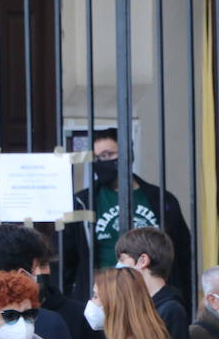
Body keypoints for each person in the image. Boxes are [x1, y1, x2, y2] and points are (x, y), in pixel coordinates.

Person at [62, 128, 193, 307]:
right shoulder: (83, 202)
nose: (101, 162)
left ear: (127, 155)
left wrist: (183, 297)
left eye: (108, 155)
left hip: (152, 297)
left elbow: (182, 252)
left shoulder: (160, 199)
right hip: (104, 297)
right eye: (97, 157)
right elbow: (67, 258)